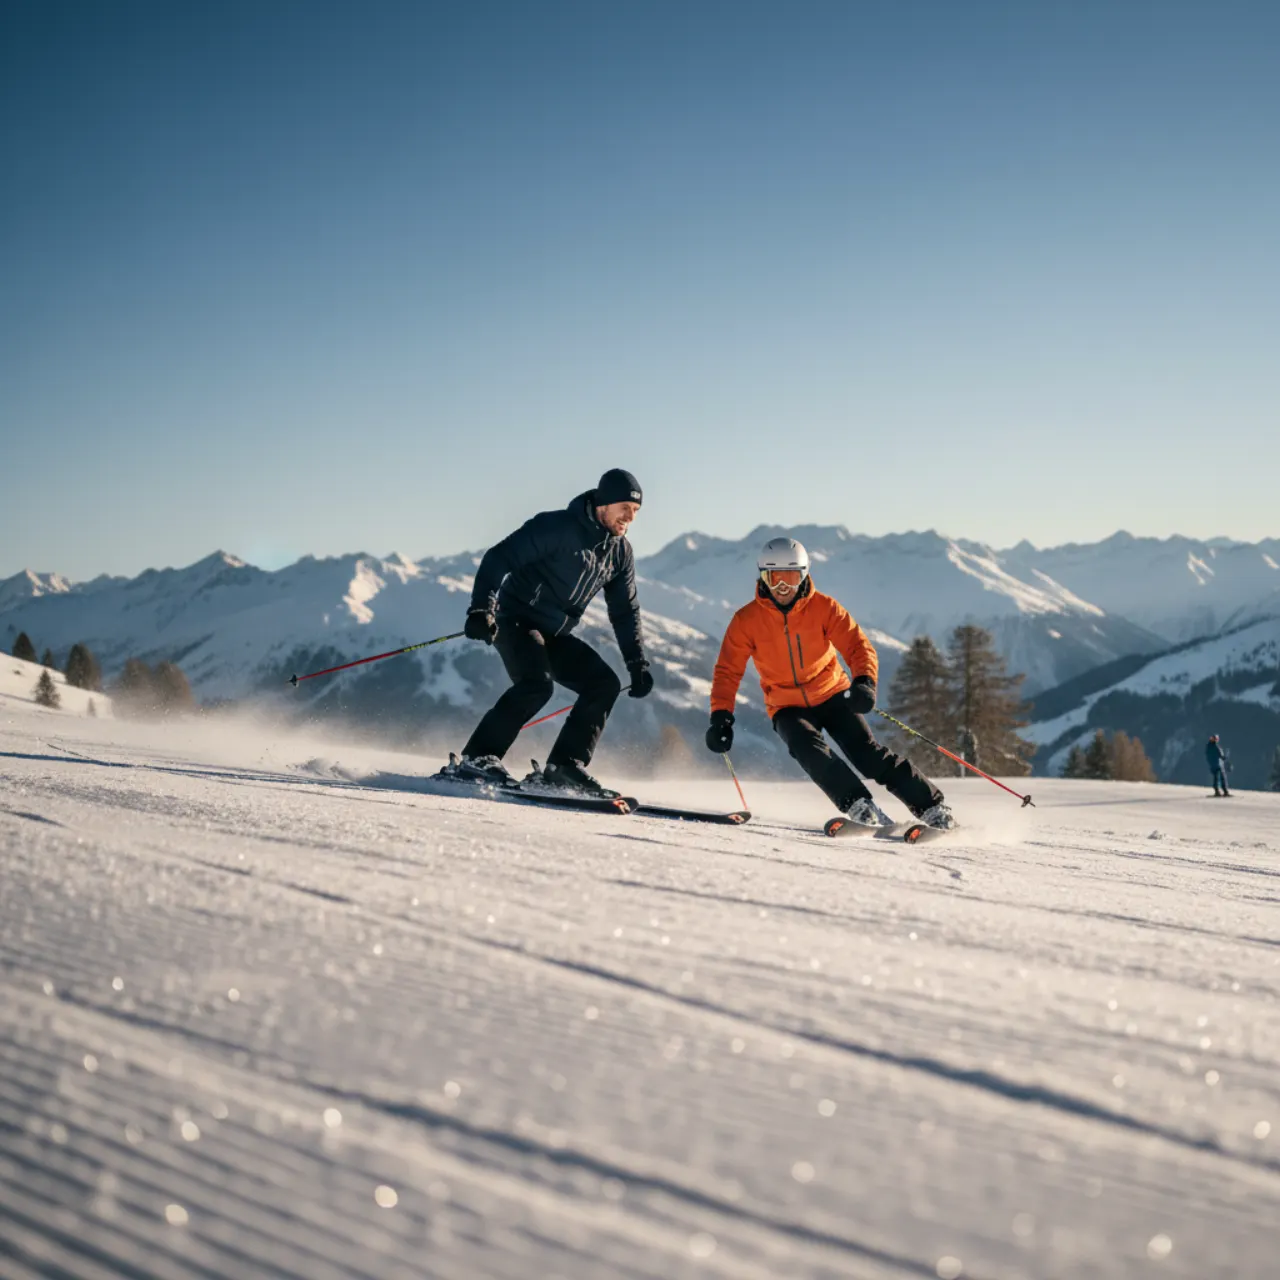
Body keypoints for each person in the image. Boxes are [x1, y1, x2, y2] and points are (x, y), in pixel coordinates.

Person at [704, 536, 955, 829]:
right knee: (809, 749)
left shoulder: (824, 608)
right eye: (775, 578)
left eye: (790, 578)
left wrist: (864, 682)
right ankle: (860, 806)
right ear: (763, 578)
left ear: (803, 576)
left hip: (833, 693)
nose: (782, 587)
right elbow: (728, 671)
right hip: (786, 705)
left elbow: (857, 646)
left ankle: (932, 807)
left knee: (867, 755)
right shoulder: (746, 620)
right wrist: (720, 717)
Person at [453, 468, 653, 794]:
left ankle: (564, 767)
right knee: (537, 685)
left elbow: (624, 610)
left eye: (636, 511)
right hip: (515, 620)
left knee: (604, 684)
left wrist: (636, 662)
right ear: (603, 503)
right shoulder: (557, 527)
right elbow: (499, 558)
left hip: (555, 634)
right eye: (625, 508)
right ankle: (477, 758)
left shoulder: (620, 553)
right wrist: (481, 609)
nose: (630, 517)